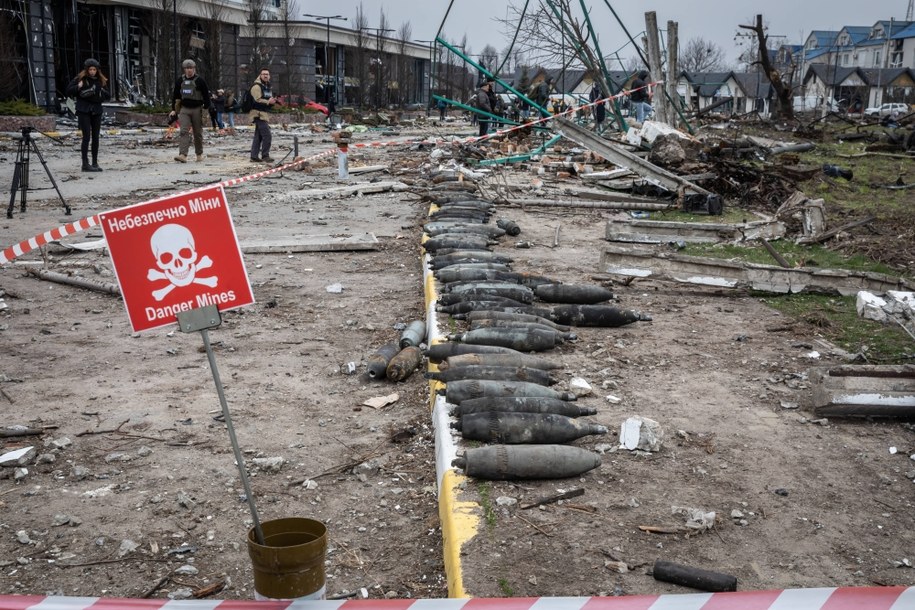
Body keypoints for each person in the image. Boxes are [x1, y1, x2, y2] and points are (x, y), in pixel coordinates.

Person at [66, 58, 110, 172]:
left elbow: (108, 95)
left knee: (96, 137)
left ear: (97, 70)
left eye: (94, 69)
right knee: (86, 137)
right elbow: (69, 91)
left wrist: (102, 92)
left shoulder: (100, 80)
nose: (92, 72)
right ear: (86, 70)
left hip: (96, 110)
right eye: (90, 69)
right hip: (84, 110)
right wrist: (78, 87)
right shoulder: (80, 79)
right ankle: (85, 164)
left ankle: (95, 162)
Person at [169, 59, 211, 163]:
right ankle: (183, 155)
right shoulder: (180, 81)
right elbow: (176, 96)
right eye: (187, 68)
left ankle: (199, 154)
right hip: (184, 109)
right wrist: (174, 110)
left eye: (191, 68)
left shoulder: (200, 81)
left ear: (194, 69)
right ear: (184, 69)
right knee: (183, 132)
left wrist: (206, 111)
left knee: (197, 133)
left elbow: (206, 96)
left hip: (197, 109)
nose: (189, 70)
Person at [248, 68, 277, 163]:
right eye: (263, 74)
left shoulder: (266, 86)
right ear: (260, 75)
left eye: (267, 74)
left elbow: (266, 100)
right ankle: (265, 156)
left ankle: (254, 156)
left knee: (258, 136)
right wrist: (269, 102)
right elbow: (257, 100)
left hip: (262, 114)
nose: (265, 76)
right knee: (267, 135)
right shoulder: (257, 86)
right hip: (257, 114)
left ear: (269, 76)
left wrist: (272, 102)